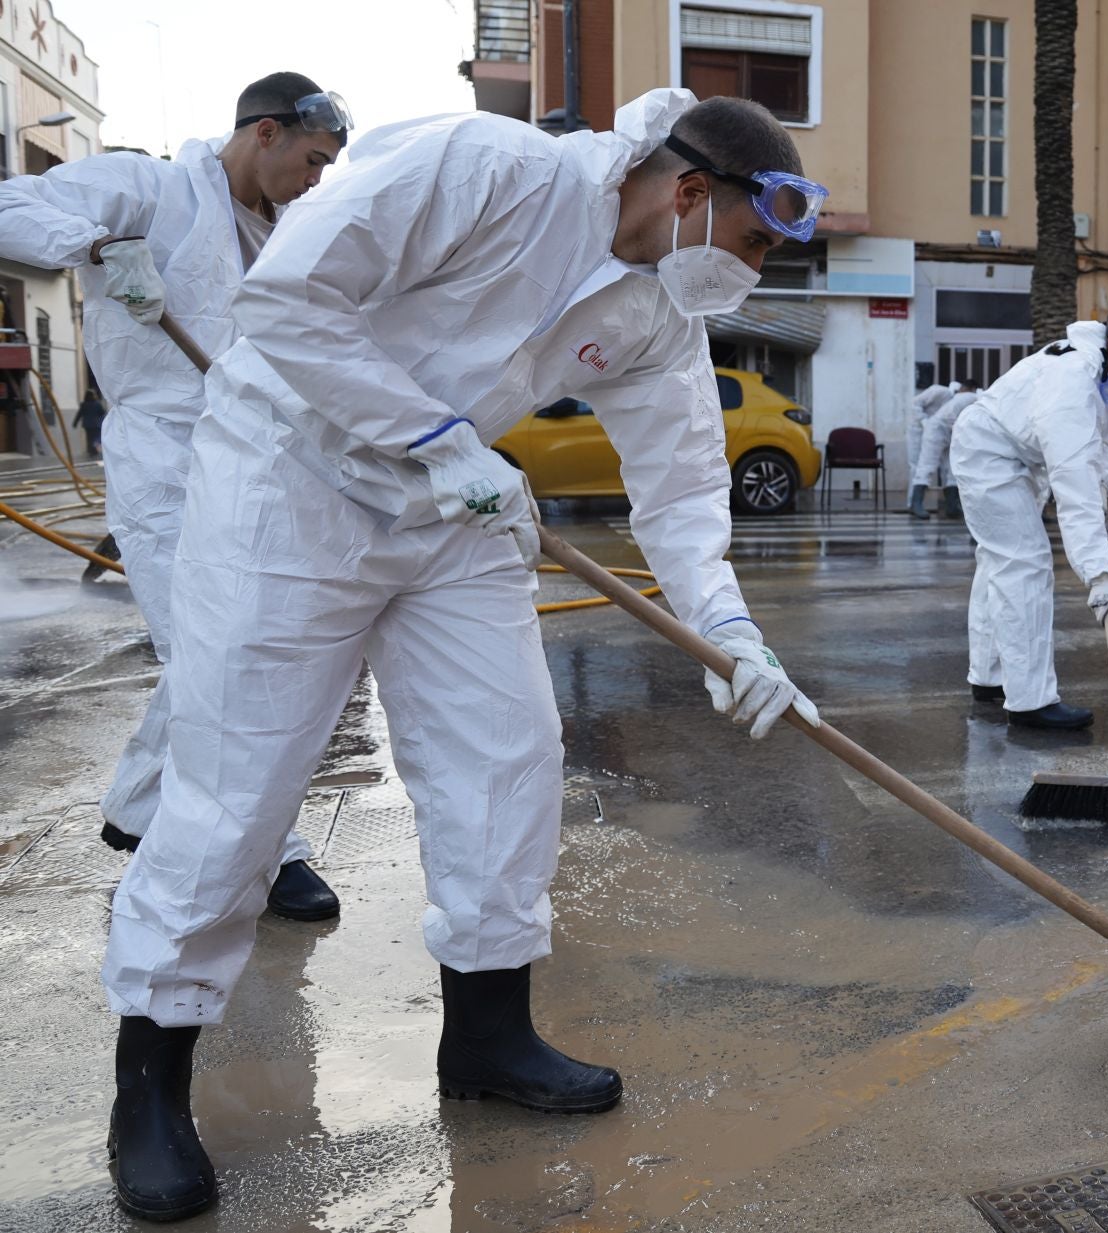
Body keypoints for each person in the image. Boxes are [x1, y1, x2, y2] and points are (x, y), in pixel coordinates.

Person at [94, 89, 828, 1222]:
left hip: (457, 516)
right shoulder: (487, 169)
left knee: (506, 761)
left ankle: (488, 1037)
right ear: (689, 195)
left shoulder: (658, 310)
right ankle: (151, 1078)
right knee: (239, 790)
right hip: (288, 483)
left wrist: (729, 633)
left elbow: (681, 486)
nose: (756, 272)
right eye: (754, 242)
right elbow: (286, 299)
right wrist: (431, 435)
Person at [0, 73, 349, 921]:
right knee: (209, 651)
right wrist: (95, 246)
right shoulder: (151, 190)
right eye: (311, 159)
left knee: (265, 647)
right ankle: (273, 850)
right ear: (264, 134)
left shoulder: (290, 234)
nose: (316, 180)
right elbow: (10, 206)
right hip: (161, 461)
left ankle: (136, 803)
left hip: (256, 464)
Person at [952, 297, 1108, 729]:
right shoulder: (1073, 379)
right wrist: (1099, 574)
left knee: (999, 562)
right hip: (988, 452)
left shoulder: (1104, 372)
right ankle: (1030, 702)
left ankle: (991, 676)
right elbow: (1074, 480)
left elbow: (1099, 442)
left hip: (1012, 453)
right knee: (1024, 565)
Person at [907, 377, 980, 519]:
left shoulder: (961, 399)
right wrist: (923, 421)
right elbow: (915, 404)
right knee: (925, 465)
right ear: (967, 389)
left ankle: (951, 507)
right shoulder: (940, 391)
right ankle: (915, 504)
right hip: (929, 428)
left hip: (950, 430)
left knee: (951, 469)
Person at [74, 386, 108, 458]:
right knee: (95, 437)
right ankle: (94, 450)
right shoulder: (97, 404)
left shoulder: (84, 404)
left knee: (89, 438)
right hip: (95, 424)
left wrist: (75, 423)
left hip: (87, 424)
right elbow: (102, 412)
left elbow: (79, 414)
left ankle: (91, 450)